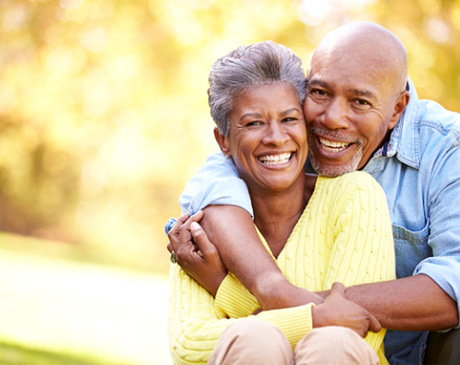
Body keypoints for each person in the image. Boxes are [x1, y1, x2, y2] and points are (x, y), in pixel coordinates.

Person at [167, 22, 460, 364]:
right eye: (320, 93)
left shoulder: (451, 150)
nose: (332, 118)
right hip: (280, 349)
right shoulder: (278, 145)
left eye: (360, 102)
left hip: (413, 350)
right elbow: (217, 176)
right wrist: (290, 302)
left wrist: (238, 288)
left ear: (397, 110)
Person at [166, 40, 396, 364]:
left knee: (331, 344)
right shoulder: (203, 223)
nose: (275, 137)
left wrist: (222, 286)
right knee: (254, 341)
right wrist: (315, 319)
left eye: (289, 119)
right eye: (254, 123)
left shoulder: (355, 195)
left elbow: (356, 330)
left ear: (305, 124)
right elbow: (190, 345)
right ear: (223, 141)